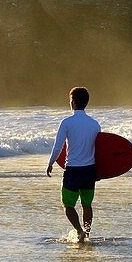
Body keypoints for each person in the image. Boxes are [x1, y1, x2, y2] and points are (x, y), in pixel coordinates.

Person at [46, 86, 101, 243]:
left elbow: (58, 146)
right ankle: (87, 234)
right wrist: (100, 172)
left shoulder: (67, 122)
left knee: (67, 205)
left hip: (73, 170)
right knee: (87, 205)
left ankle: (79, 231)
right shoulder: (95, 124)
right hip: (90, 170)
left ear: (73, 102)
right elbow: (100, 150)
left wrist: (50, 163)